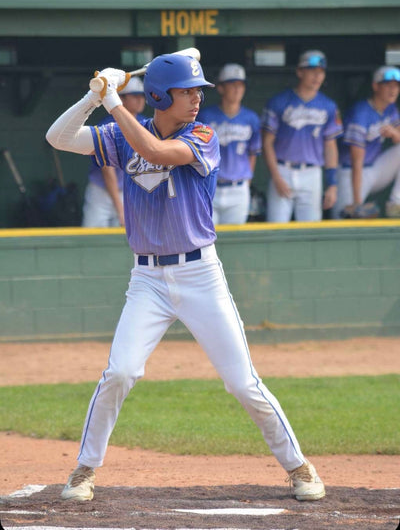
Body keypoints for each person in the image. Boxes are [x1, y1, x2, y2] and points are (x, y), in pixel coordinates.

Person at [46, 52, 325, 503]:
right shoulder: (121, 135)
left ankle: (299, 466)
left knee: (242, 382)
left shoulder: (203, 135)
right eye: (187, 92)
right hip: (147, 280)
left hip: (200, 274)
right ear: (159, 96)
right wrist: (92, 98)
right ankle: (84, 469)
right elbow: (57, 138)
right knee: (120, 372)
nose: (197, 99)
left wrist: (113, 100)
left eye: (198, 91)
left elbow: (155, 152)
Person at [261, 50, 343, 223]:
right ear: (300, 72)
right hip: (282, 169)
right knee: (276, 229)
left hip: (312, 173)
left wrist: (332, 184)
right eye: (312, 71)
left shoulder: (329, 106)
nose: (317, 76)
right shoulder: (279, 101)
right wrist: (276, 176)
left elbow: (330, 146)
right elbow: (267, 143)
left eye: (321, 71)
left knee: (311, 231)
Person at [334, 65, 400, 219]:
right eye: (388, 85)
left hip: (374, 170)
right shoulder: (360, 113)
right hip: (349, 173)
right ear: (375, 86)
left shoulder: (390, 108)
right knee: (344, 221)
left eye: (396, 86)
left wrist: (395, 133)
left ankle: (396, 203)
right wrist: (358, 203)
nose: (393, 90)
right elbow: (356, 161)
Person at [199, 63, 261, 224]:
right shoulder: (205, 116)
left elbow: (253, 153)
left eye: (241, 85)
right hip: (210, 187)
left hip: (238, 188)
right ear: (221, 88)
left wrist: (247, 181)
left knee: (234, 237)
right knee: (207, 237)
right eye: (232, 84)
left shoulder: (251, 118)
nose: (237, 89)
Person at [81, 77, 145, 227]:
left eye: (142, 95)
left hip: (129, 190)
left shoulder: (144, 123)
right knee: (92, 234)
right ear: (120, 99)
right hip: (101, 192)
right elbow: (107, 171)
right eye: (135, 96)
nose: (140, 100)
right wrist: (120, 210)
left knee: (129, 235)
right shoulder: (108, 125)